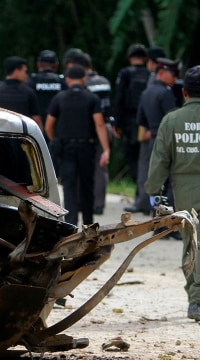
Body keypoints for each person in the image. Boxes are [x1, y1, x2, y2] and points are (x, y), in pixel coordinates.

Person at [144, 65, 200, 321]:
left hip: (187, 189)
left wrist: (153, 191)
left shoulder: (172, 120)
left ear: (184, 92)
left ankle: (196, 302)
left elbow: (160, 161)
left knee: (193, 242)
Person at [45, 64, 110, 226]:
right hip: (86, 148)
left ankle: (71, 224)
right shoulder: (91, 98)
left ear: (67, 80)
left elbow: (48, 126)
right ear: (83, 79)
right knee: (87, 186)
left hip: (66, 148)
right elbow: (100, 125)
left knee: (69, 187)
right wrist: (106, 149)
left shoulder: (59, 98)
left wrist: (55, 140)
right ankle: (88, 224)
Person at [128, 58, 180, 216]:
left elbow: (140, 120)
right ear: (162, 73)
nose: (175, 79)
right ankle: (168, 222)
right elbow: (173, 119)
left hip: (152, 140)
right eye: (173, 74)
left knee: (157, 181)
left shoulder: (146, 92)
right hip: (167, 141)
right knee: (171, 182)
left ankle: (157, 218)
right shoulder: (165, 93)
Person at [70, 52, 113, 215]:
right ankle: (99, 204)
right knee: (101, 166)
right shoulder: (104, 81)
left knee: (86, 165)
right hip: (106, 126)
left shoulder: (84, 83)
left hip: (90, 128)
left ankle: (84, 201)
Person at [114, 44, 149, 192]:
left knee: (133, 157)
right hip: (147, 122)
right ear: (145, 59)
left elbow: (119, 97)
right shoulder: (150, 74)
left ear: (130, 58)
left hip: (130, 121)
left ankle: (139, 191)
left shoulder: (125, 73)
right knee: (146, 156)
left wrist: (117, 123)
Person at [0, 56, 42, 131]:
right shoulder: (29, 92)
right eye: (25, 71)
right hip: (22, 138)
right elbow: (36, 120)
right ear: (16, 71)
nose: (26, 75)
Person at [25, 50, 67, 130]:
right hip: (59, 126)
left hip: (34, 127)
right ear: (56, 65)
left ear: (38, 64)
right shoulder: (62, 82)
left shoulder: (31, 81)